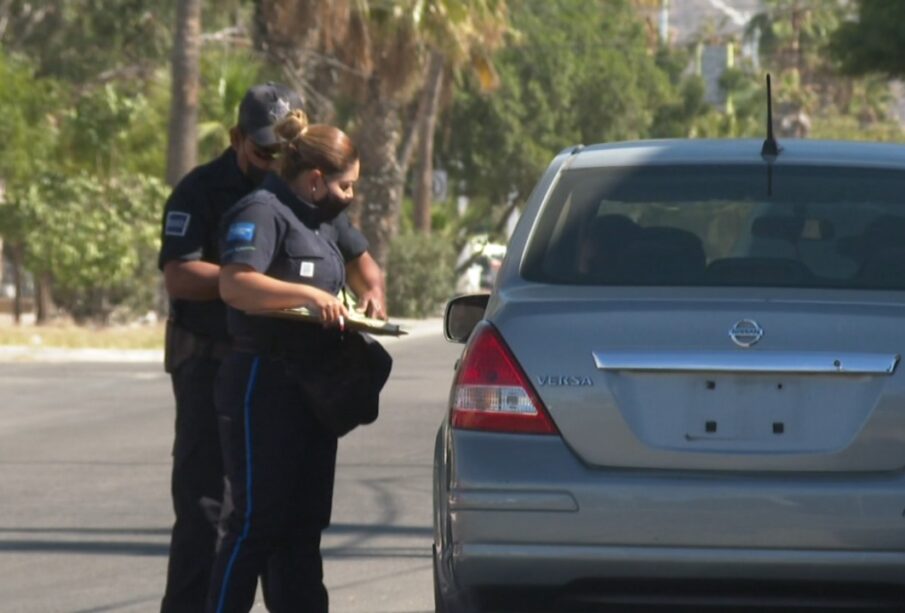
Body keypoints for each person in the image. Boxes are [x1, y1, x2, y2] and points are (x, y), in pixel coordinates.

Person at [157, 83, 385, 613]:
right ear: (238, 140)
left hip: (300, 375)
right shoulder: (231, 200)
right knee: (214, 511)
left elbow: (360, 261)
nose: (274, 160)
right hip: (220, 361)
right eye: (264, 151)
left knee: (298, 524)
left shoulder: (314, 206)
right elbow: (210, 279)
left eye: (284, 150)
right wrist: (292, 291)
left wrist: (366, 299)